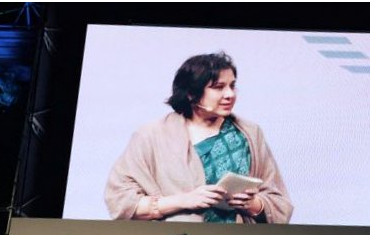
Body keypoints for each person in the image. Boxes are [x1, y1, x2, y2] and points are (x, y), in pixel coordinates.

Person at [105, 52, 293, 224]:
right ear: (191, 94)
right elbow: (120, 200)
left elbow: (279, 202)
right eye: (218, 87)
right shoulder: (151, 136)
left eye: (232, 86)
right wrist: (182, 201)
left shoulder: (250, 133)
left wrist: (253, 204)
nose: (230, 94)